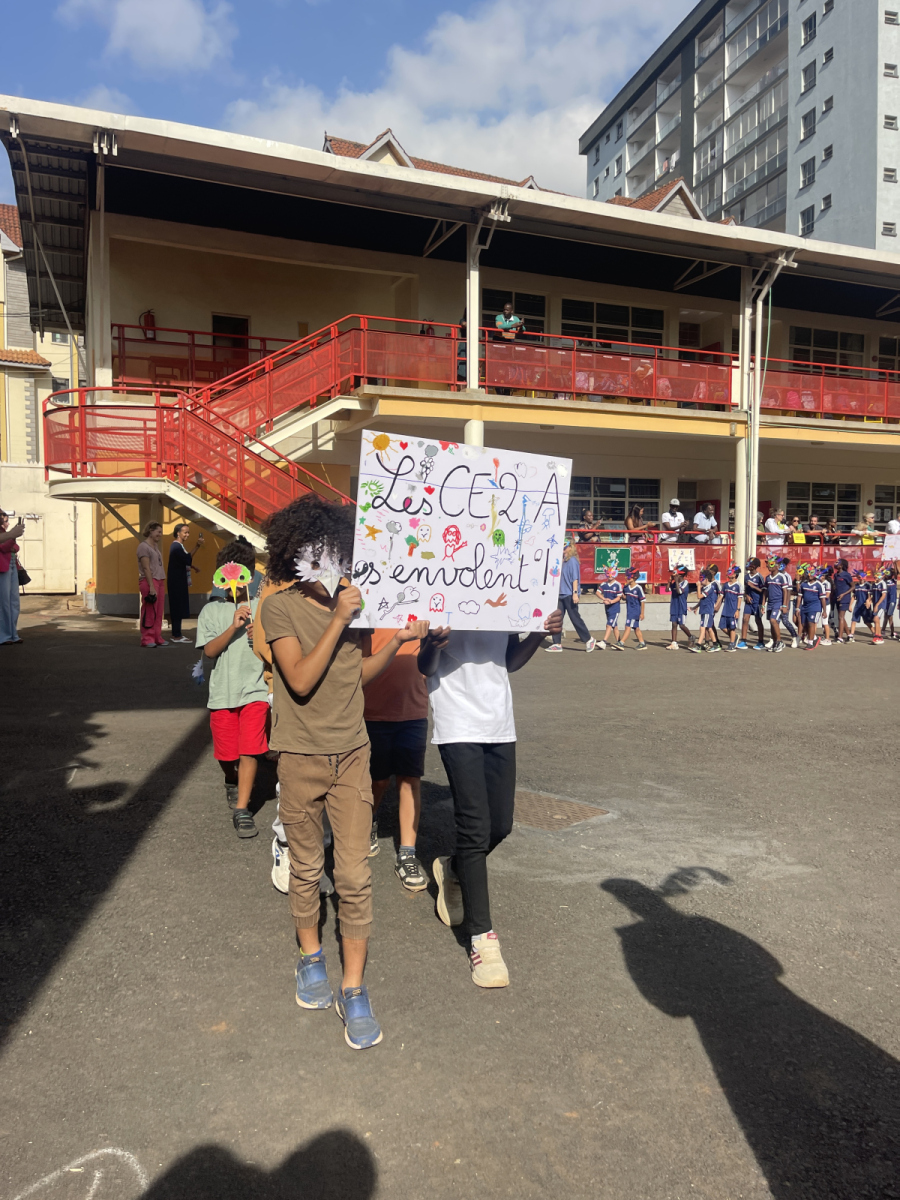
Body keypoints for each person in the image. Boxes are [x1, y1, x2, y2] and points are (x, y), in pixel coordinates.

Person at [262, 494, 427, 1051]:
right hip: (299, 756)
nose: (332, 566)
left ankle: (353, 989)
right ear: (296, 555)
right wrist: (338, 619)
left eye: (339, 555)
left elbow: (354, 675)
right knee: (308, 867)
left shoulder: (356, 607)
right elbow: (301, 679)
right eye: (319, 555)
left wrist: (396, 641)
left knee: (354, 876)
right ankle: (311, 956)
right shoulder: (279, 608)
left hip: (353, 754)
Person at [418, 606, 563, 989]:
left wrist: (538, 633)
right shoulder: (439, 597)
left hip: (499, 722)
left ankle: (453, 867)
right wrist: (432, 643)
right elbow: (424, 666)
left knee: (500, 825)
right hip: (456, 723)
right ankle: (482, 939)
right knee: (474, 827)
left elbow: (509, 660)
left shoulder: (506, 595)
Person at [195, 538, 269, 838]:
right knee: (227, 755)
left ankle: (242, 809)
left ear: (250, 575)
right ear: (220, 576)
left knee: (250, 749)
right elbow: (209, 651)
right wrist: (234, 626)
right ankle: (231, 778)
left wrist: (258, 636)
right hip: (223, 693)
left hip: (255, 691)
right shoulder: (211, 611)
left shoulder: (261, 609)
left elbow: (273, 650)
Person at [363, 626, 430, 890]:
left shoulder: (424, 614)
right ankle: (368, 821)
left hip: (414, 711)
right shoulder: (369, 614)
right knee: (377, 780)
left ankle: (407, 854)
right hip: (372, 712)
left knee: (410, 781)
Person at [546, 541, 595, 653]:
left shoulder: (572, 560)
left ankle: (589, 639)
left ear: (570, 548)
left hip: (569, 594)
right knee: (557, 619)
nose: (563, 549)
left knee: (575, 618)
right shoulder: (562, 561)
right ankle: (557, 643)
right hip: (560, 594)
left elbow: (575, 578)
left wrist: (575, 593)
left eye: (565, 546)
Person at [167, 522, 204, 643]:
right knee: (177, 607)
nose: (187, 534)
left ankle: (177, 634)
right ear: (178, 533)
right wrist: (197, 546)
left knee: (177, 607)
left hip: (177, 580)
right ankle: (176, 635)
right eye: (185, 532)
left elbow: (182, 560)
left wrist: (193, 567)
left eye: (188, 532)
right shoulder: (176, 546)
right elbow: (187, 559)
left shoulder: (178, 547)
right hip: (176, 581)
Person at [137, 522, 168, 648]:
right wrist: (151, 586)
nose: (160, 535)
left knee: (159, 611)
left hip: (160, 580)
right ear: (151, 530)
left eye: (161, 532)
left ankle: (157, 636)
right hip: (149, 580)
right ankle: (147, 638)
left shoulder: (155, 546)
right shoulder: (143, 547)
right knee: (149, 610)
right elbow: (146, 568)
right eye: (158, 532)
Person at [0, 510, 25, 646]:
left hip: (11, 566)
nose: (6, 522)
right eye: (5, 520)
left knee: (13, 602)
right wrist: (12, 536)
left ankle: (12, 633)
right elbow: (5, 547)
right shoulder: (5, 534)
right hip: (3, 567)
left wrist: (11, 538)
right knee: (4, 602)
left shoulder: (3, 533)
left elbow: (14, 547)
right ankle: (4, 635)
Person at [765, 556, 794, 652]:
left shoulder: (782, 577)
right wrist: (763, 604)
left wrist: (785, 605)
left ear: (777, 566)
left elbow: (786, 591)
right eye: (768, 564)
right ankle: (774, 642)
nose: (769, 566)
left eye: (771, 564)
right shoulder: (767, 578)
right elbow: (765, 592)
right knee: (772, 623)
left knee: (773, 620)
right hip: (770, 603)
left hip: (778, 603)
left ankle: (779, 641)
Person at [737, 558, 766, 650]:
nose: (747, 565)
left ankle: (761, 642)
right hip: (749, 602)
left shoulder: (759, 577)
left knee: (758, 621)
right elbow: (745, 589)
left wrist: (753, 586)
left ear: (754, 566)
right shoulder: (746, 577)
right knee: (745, 619)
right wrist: (746, 595)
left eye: (749, 564)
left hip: (757, 602)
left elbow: (763, 591)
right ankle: (743, 641)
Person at [690, 566, 720, 653]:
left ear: (706, 579)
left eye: (702, 579)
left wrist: (698, 587)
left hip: (707, 610)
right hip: (704, 610)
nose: (700, 581)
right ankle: (715, 644)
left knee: (702, 628)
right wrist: (695, 607)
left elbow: (699, 596)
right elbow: (701, 600)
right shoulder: (705, 587)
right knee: (709, 628)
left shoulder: (710, 587)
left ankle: (698, 645)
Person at [797, 562, 825, 650]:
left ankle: (810, 643)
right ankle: (815, 638)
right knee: (803, 624)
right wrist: (797, 608)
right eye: (808, 572)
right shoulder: (803, 584)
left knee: (811, 623)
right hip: (805, 607)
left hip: (815, 607)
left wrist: (824, 611)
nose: (809, 575)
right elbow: (799, 597)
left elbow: (823, 599)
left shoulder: (819, 585)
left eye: (812, 573)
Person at [666, 564, 693, 649]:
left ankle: (691, 636)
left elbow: (679, 591)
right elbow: (667, 589)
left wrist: (677, 581)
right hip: (674, 606)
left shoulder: (685, 583)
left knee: (681, 625)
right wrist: (669, 582)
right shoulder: (674, 583)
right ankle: (674, 643)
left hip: (681, 607)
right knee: (674, 624)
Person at [598, 565, 625, 649]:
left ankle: (604, 642)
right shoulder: (604, 584)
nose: (610, 576)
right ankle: (619, 643)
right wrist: (604, 599)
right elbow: (597, 592)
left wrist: (611, 601)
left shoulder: (618, 585)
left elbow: (619, 597)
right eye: (608, 573)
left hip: (615, 609)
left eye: (612, 573)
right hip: (607, 608)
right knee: (614, 626)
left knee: (609, 625)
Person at [620, 566, 647, 649]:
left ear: (634, 577)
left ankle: (621, 642)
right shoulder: (626, 588)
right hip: (629, 610)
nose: (626, 578)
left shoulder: (638, 588)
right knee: (636, 628)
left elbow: (642, 601)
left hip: (635, 611)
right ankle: (642, 643)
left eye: (628, 576)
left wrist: (642, 613)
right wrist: (622, 595)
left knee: (628, 626)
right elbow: (625, 598)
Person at [719, 565, 742, 651]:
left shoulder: (738, 586)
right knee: (722, 627)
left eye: (731, 572)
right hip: (725, 610)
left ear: (735, 574)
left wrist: (737, 610)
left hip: (733, 610)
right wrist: (716, 605)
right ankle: (734, 637)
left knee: (732, 628)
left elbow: (740, 598)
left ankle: (732, 644)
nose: (729, 574)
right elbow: (721, 596)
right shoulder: (725, 585)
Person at [848, 569, 873, 641]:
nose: (861, 578)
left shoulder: (868, 585)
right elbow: (854, 596)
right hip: (857, 606)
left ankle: (874, 633)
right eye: (859, 577)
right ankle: (851, 635)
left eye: (862, 576)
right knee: (854, 620)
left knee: (867, 622)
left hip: (865, 606)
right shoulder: (856, 586)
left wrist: (868, 601)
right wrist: (850, 605)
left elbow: (870, 596)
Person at [832, 557, 853, 642]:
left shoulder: (846, 575)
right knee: (841, 617)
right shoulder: (836, 575)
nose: (835, 564)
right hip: (837, 598)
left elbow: (853, 586)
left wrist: (843, 594)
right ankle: (849, 635)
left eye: (837, 562)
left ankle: (840, 638)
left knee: (840, 617)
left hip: (844, 598)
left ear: (841, 565)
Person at [870, 568, 887, 645]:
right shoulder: (873, 584)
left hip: (881, 605)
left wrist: (877, 605)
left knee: (876, 618)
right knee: (876, 620)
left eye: (878, 575)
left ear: (882, 576)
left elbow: (883, 595)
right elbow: (872, 595)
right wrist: (869, 601)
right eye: (875, 575)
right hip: (875, 605)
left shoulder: (883, 583)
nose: (876, 576)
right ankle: (879, 636)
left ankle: (877, 636)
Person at [884, 564, 898, 639]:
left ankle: (892, 632)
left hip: (892, 601)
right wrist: (882, 564)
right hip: (886, 601)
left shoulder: (893, 581)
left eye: (887, 573)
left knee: (889, 616)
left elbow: (896, 573)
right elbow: (879, 573)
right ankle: (883, 630)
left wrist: (894, 564)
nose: (886, 574)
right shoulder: (884, 581)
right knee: (886, 615)